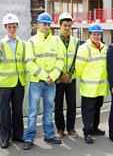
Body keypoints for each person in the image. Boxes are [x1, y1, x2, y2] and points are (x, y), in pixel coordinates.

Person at [23, 12, 64, 150]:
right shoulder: (31, 41)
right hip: (36, 82)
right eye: (44, 24)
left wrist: (52, 76)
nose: (46, 26)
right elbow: (29, 62)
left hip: (51, 83)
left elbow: (60, 60)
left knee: (48, 110)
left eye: (48, 24)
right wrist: (44, 76)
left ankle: (49, 135)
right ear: (38, 25)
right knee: (33, 111)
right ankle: (29, 138)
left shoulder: (56, 40)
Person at [0, 13, 26, 149]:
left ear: (17, 27)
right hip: (5, 84)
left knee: (18, 111)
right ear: (5, 28)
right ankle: (5, 138)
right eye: (9, 27)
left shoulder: (23, 44)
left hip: (19, 83)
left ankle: (18, 135)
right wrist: (1, 77)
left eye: (14, 27)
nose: (12, 29)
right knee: (5, 112)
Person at [75, 23, 108, 144]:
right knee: (88, 110)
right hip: (89, 87)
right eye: (94, 34)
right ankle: (87, 132)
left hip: (100, 86)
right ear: (89, 35)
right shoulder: (84, 48)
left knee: (97, 108)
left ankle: (94, 128)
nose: (96, 36)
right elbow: (78, 68)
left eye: (98, 34)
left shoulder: (104, 48)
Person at [55, 12, 79, 139]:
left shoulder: (76, 41)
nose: (67, 28)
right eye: (65, 25)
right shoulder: (54, 41)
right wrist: (60, 75)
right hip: (58, 79)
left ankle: (71, 128)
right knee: (58, 105)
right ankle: (60, 129)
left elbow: (76, 59)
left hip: (71, 79)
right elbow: (52, 60)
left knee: (72, 104)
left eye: (69, 26)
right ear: (60, 26)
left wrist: (69, 74)